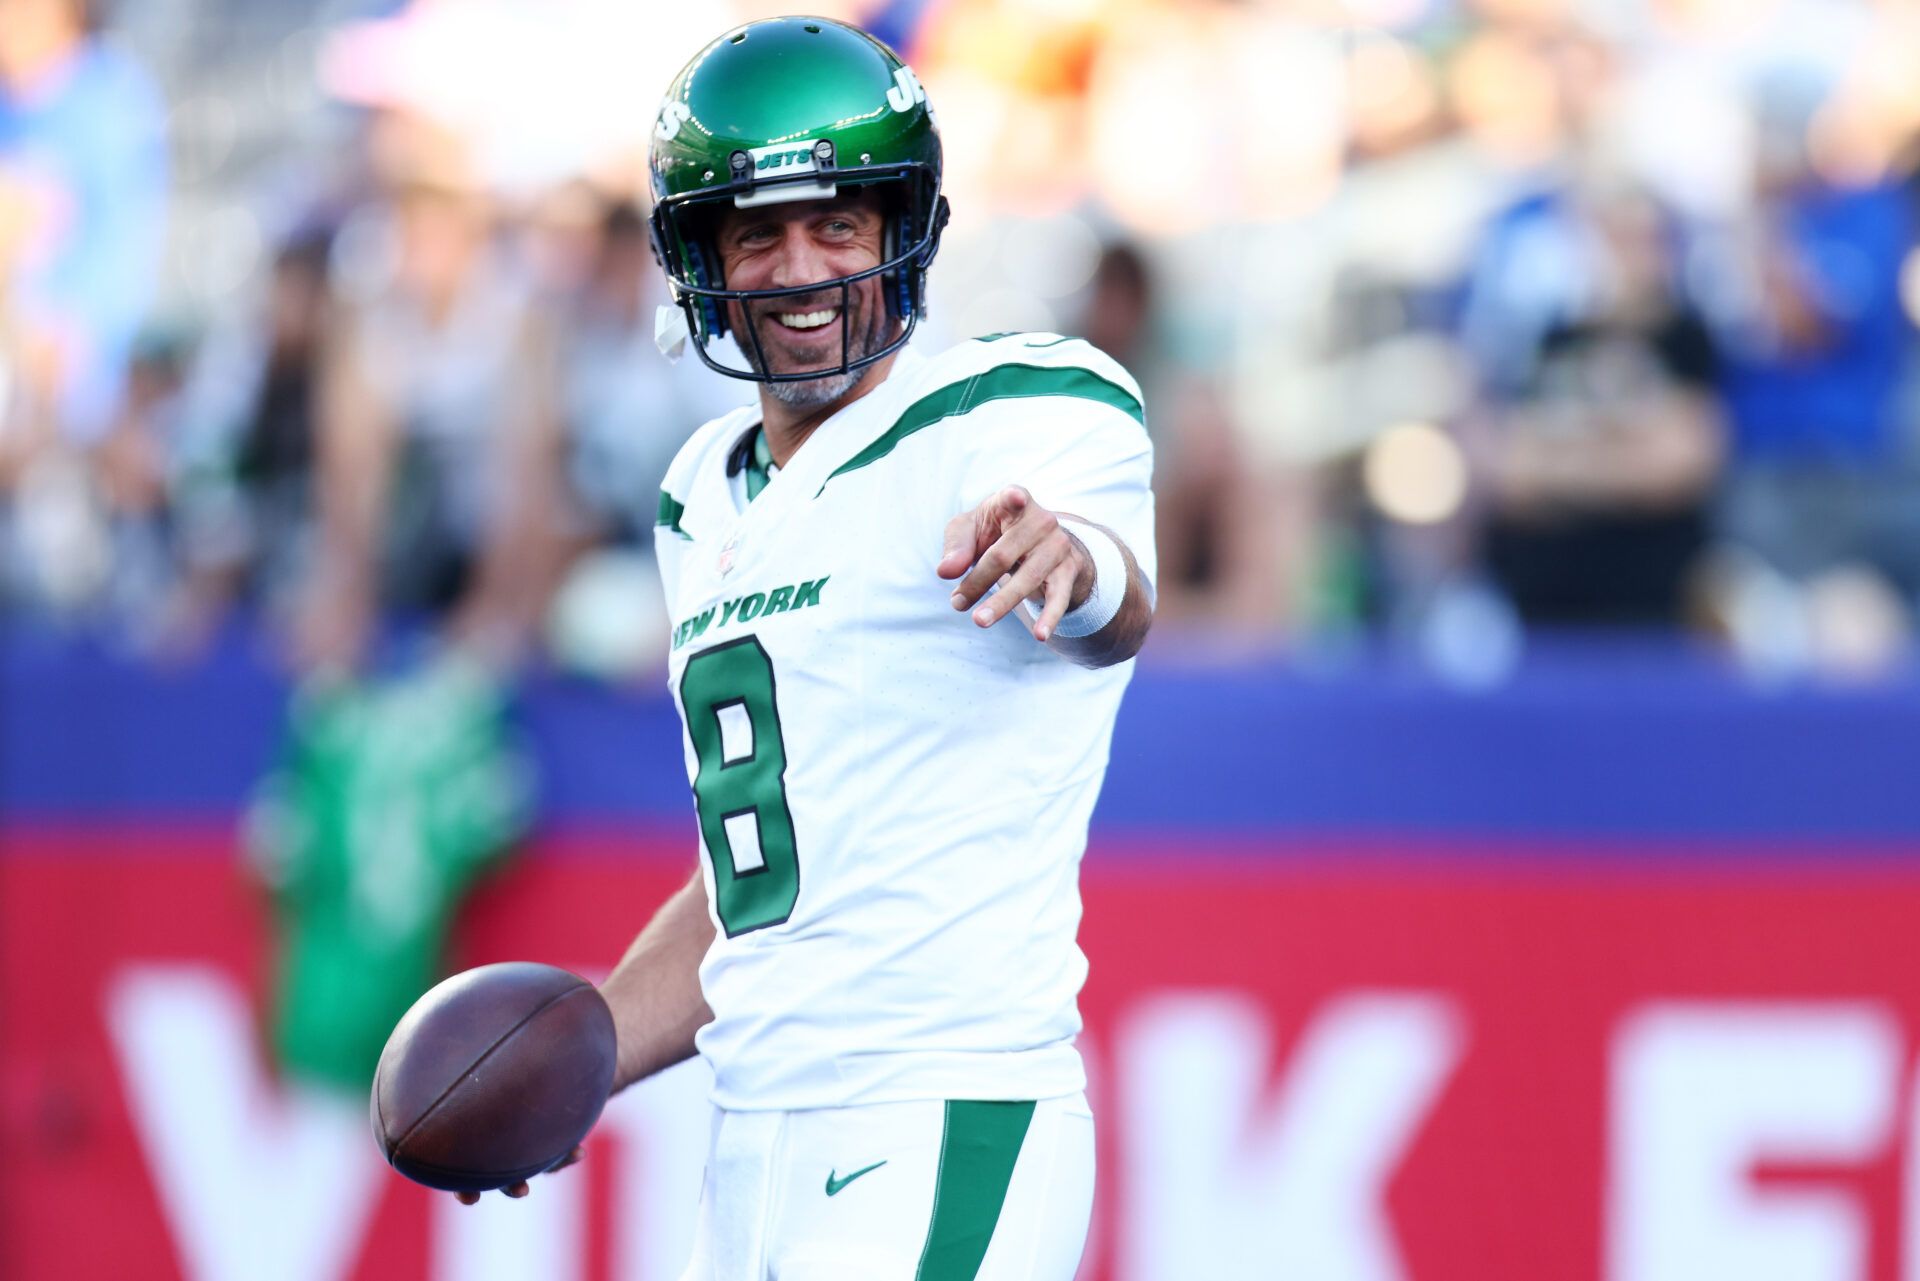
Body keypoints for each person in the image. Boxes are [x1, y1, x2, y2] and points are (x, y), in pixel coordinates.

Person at [459, 18, 1157, 1281]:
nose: (802, 268)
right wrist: (588, 1046)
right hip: (748, 1138)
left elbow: (1116, 600)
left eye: (839, 224)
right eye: (758, 232)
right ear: (697, 256)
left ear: (904, 234)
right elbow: (756, 890)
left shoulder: (1012, 413)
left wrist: (1078, 561)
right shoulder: (699, 498)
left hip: (942, 1105)